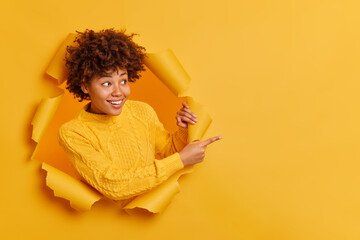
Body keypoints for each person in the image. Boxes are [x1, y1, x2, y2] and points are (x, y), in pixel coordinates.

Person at [58, 29, 222, 201]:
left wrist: (183, 129)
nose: (119, 92)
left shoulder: (142, 111)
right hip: (106, 224)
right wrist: (180, 160)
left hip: (150, 218)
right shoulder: (73, 133)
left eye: (123, 81)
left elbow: (169, 151)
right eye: (107, 83)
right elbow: (113, 185)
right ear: (85, 87)